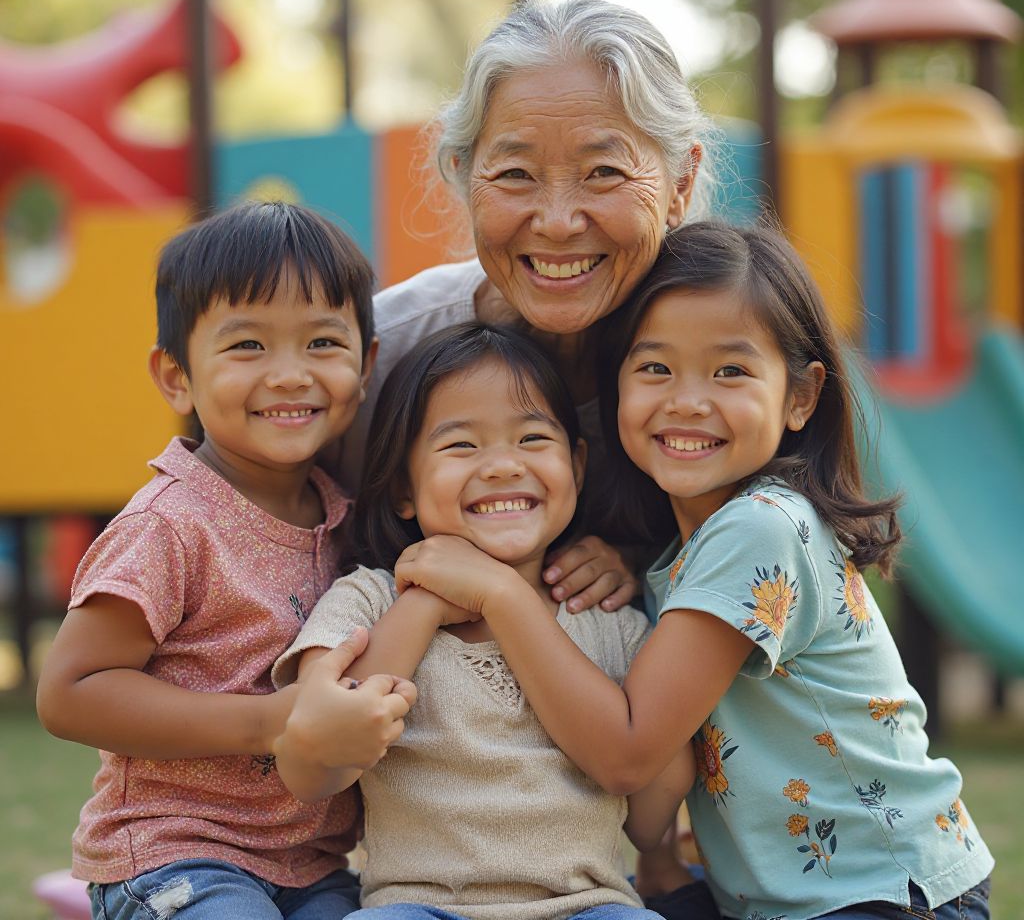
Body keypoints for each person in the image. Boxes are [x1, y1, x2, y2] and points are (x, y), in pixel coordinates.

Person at [387, 222, 995, 920]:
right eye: (655, 369)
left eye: (730, 371)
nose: (686, 400)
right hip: (784, 899)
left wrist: (498, 592)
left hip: (879, 894)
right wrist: (664, 865)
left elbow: (626, 754)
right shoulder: (686, 547)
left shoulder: (760, 527)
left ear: (801, 397)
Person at [36, 202, 417, 920]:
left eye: (322, 344)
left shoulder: (346, 514)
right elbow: (70, 690)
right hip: (174, 852)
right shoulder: (170, 525)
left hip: (310, 865)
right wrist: (268, 721)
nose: (289, 375)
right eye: (247, 347)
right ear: (177, 376)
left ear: (365, 365)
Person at [271, 323, 693, 920]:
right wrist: (424, 603)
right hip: (415, 907)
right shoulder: (367, 600)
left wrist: (669, 751)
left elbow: (648, 819)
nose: (501, 466)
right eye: (461, 446)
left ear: (576, 466)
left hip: (587, 905)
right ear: (402, 489)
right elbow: (318, 767)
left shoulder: (608, 619)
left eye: (531, 439)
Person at [326, 0, 708, 618]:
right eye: (514, 175)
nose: (557, 223)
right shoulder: (379, 354)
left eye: (605, 172)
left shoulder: (734, 352)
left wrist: (648, 565)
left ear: (680, 184)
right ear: (463, 173)